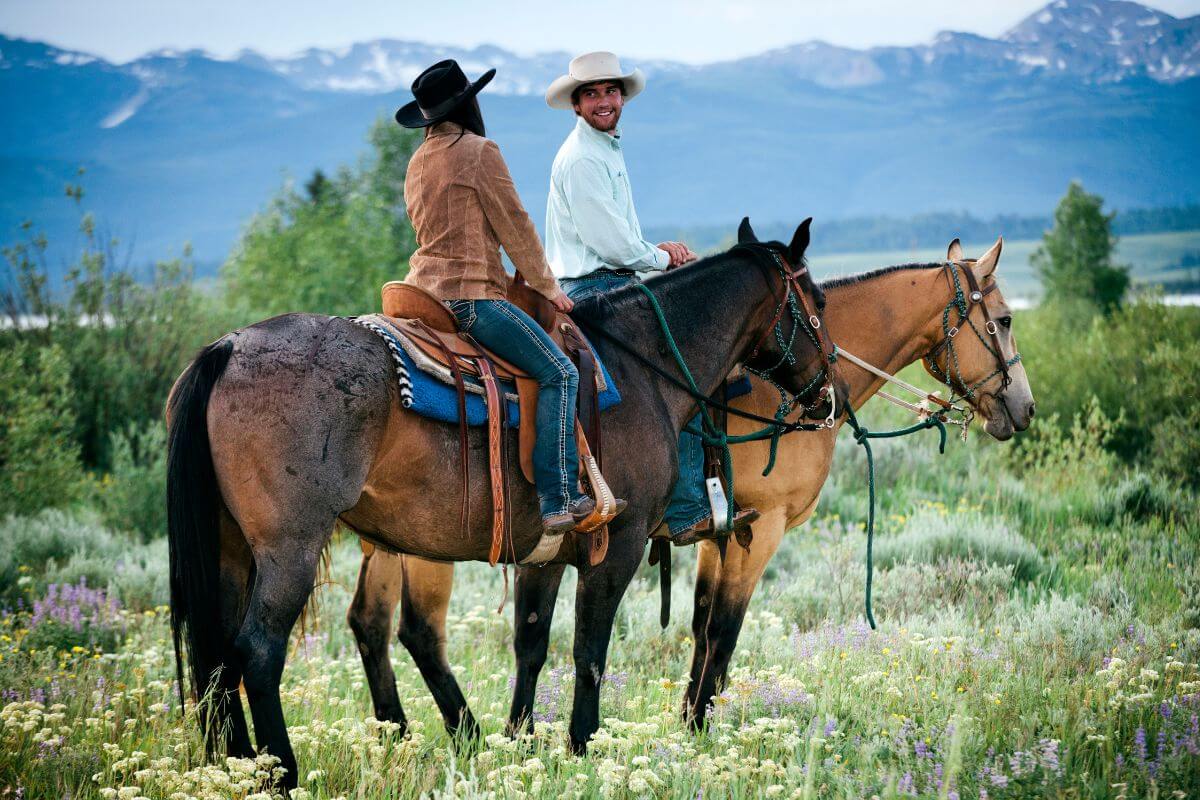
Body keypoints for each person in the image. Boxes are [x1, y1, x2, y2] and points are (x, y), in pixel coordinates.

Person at [396, 59, 623, 535]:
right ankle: (557, 497)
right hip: (470, 299)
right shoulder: (478, 151)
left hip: (421, 293)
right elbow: (515, 225)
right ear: (470, 103)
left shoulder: (418, 160)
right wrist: (549, 288)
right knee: (559, 372)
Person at [543, 52, 757, 546]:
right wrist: (662, 260)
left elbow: (620, 238)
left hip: (614, 278)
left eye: (610, 91)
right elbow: (611, 244)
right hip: (596, 286)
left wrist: (656, 253)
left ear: (621, 98)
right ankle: (685, 509)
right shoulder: (581, 159)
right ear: (576, 105)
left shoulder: (602, 150)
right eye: (592, 93)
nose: (604, 101)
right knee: (686, 368)